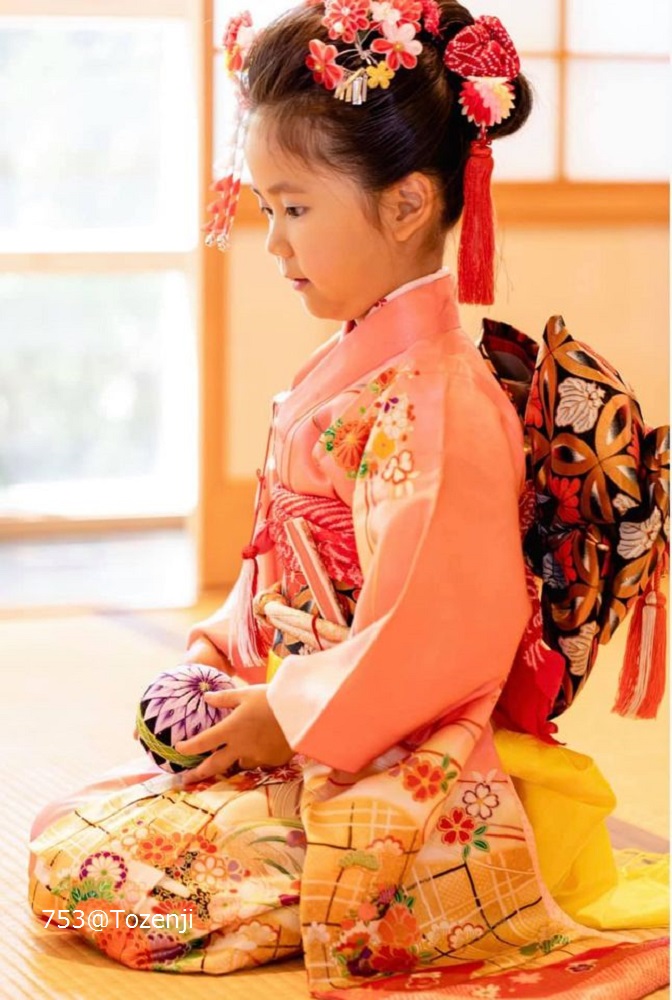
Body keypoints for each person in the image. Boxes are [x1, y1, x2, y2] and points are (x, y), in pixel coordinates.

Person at [29, 2, 668, 995]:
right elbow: (274, 568)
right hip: (312, 737)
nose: (272, 241)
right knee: (74, 844)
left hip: (405, 771)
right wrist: (214, 660)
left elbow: (436, 634)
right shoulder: (356, 373)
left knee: (104, 881)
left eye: (293, 207)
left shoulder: (434, 404)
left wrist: (280, 718)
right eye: (266, 207)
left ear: (409, 203)